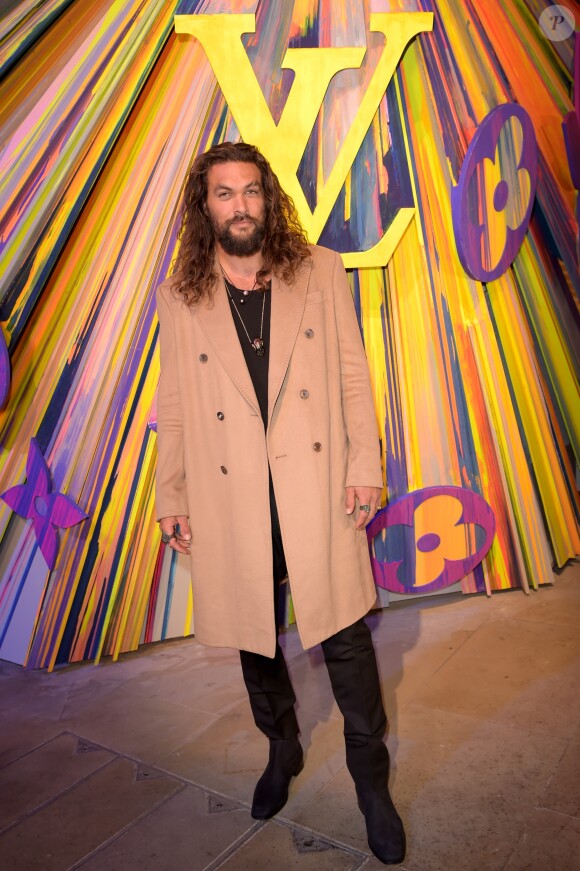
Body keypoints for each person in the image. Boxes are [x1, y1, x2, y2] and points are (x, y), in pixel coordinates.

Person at [155, 141, 405, 865]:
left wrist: (364, 463)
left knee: (347, 633)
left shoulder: (320, 271)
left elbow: (354, 378)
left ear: (269, 198)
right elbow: (173, 406)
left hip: (315, 481)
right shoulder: (183, 294)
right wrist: (171, 491)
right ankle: (283, 747)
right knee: (253, 630)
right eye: (225, 193)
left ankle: (371, 781)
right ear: (206, 207)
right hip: (230, 489)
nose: (240, 205)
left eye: (251, 191)